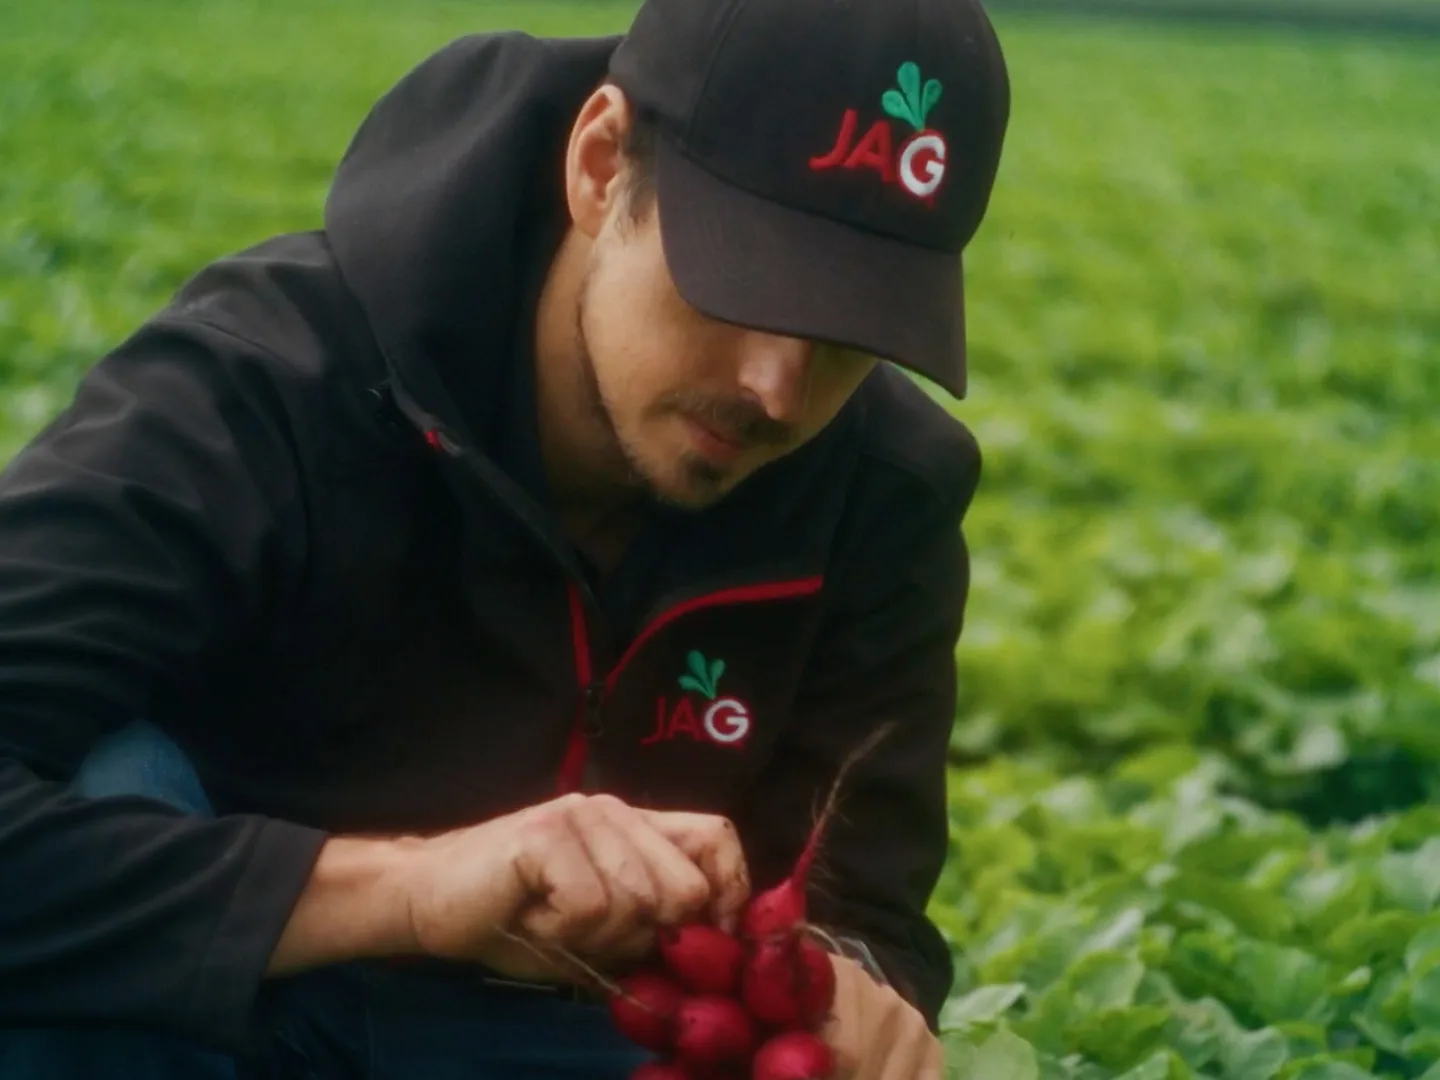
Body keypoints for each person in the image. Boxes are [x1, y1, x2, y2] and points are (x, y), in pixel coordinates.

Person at [0, 0, 1009, 1073]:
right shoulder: (261, 389)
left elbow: (867, 904)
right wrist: (413, 889)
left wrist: (845, 979)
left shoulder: (884, 492)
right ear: (601, 163)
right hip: (207, 1020)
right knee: (112, 766)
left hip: (542, 1046)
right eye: (746, 287)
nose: (778, 392)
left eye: (852, 335)